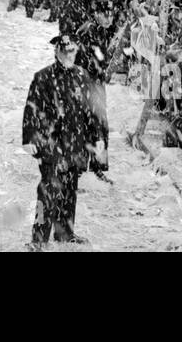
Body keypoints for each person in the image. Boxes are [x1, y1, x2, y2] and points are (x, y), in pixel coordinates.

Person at [22, 31, 109, 248]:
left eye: (72, 51)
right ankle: (38, 238)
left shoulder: (82, 76)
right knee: (47, 194)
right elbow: (31, 110)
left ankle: (64, 232)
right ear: (57, 52)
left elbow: (93, 111)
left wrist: (98, 137)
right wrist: (30, 137)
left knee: (69, 193)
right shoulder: (42, 77)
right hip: (51, 146)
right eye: (65, 51)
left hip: (75, 145)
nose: (69, 55)